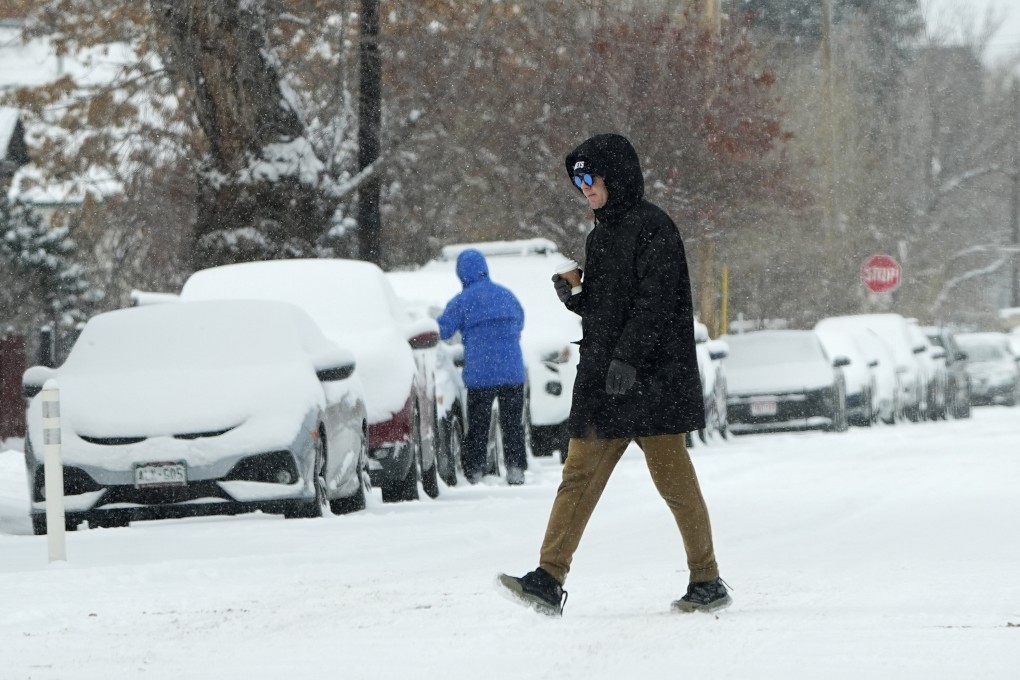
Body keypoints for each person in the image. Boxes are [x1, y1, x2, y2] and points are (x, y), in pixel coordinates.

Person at [496, 133, 730, 616]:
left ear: (616, 176)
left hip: (652, 381)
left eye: (590, 176)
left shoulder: (654, 229)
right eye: (576, 179)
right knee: (577, 475)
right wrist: (579, 298)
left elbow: (656, 304)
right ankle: (547, 577)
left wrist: (628, 357)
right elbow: (610, 308)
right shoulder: (600, 234)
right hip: (608, 381)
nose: (583, 187)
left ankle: (706, 579)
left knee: (674, 482)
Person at [437, 248, 529, 485]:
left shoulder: (461, 302)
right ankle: (516, 468)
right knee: (512, 424)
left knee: (478, 424)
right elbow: (519, 321)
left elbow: (443, 330)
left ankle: (474, 470)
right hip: (512, 371)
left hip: (481, 373)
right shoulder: (506, 295)